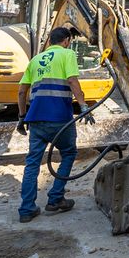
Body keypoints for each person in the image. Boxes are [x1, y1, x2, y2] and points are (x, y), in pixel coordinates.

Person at [16, 26, 86, 222]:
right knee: (69, 153)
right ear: (66, 41)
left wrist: (22, 117)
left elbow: (22, 92)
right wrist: (83, 105)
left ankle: (26, 209)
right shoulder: (67, 54)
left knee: (32, 163)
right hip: (60, 119)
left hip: (36, 120)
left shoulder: (35, 60)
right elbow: (72, 81)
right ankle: (55, 199)